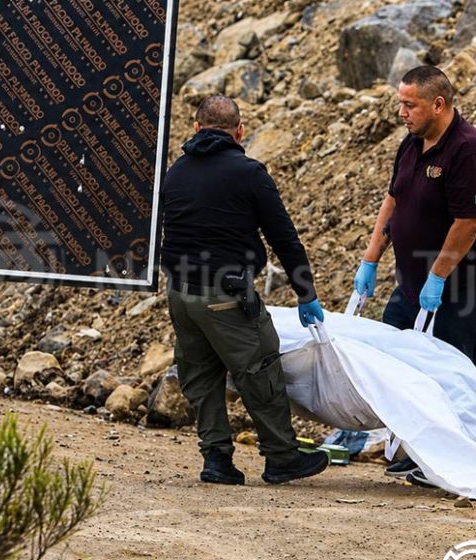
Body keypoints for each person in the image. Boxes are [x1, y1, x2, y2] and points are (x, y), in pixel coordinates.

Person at [160, 95, 329, 486]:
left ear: (196, 129)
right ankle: (282, 457)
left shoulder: (175, 172)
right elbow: (283, 237)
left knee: (201, 377)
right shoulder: (249, 173)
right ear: (240, 132)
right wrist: (305, 292)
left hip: (180, 295)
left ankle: (216, 459)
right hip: (226, 295)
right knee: (260, 369)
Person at [353, 66, 476, 485]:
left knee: (447, 372)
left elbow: (470, 222)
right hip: (413, 282)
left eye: (410, 105)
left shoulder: (468, 150)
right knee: (394, 359)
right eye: (400, 103)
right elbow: (393, 199)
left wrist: (438, 276)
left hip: (466, 284)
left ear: (438, 104)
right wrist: (371, 258)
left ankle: (446, 460)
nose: (401, 112)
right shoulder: (412, 143)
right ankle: (414, 449)